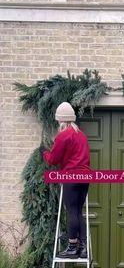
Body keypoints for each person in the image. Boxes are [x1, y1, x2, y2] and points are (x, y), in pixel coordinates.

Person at [41, 102, 90, 259]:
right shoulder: (81, 134)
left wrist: (44, 152)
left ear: (61, 120)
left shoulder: (63, 135)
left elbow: (53, 160)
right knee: (79, 211)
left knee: (72, 212)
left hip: (71, 176)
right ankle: (83, 248)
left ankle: (71, 248)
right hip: (85, 176)